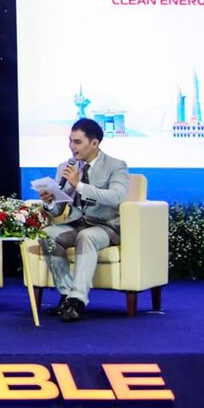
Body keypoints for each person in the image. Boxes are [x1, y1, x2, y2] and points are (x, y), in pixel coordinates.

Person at [37, 117, 130, 323]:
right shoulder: (66, 167)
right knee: (47, 234)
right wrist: (49, 202)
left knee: (86, 237)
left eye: (77, 142)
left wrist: (79, 186)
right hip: (76, 223)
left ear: (94, 143)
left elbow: (117, 197)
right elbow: (57, 210)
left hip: (105, 226)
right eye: (70, 141)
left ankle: (78, 300)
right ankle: (67, 294)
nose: (72, 146)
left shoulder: (116, 166)